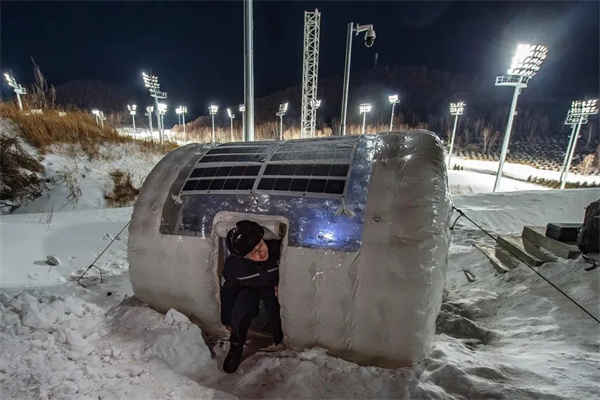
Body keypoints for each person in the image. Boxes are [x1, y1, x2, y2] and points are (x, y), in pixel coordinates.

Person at [220, 220, 284, 373]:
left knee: (276, 311)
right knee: (240, 311)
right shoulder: (234, 266)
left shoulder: (279, 251)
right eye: (254, 252)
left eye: (261, 245)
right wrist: (226, 318)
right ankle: (236, 347)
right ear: (245, 257)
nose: (261, 252)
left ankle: (280, 339)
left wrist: (284, 287)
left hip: (273, 288)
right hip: (250, 289)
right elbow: (228, 292)